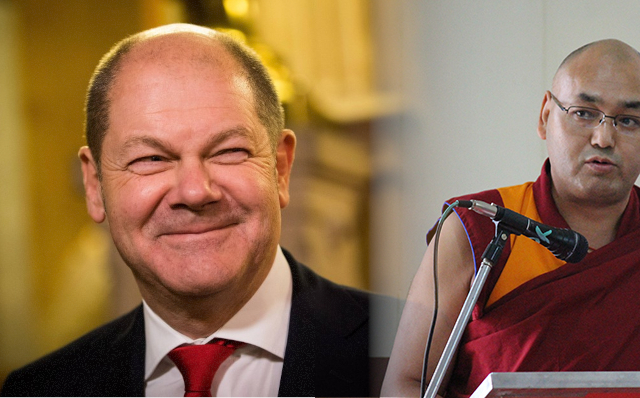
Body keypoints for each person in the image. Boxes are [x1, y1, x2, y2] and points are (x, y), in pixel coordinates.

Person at [381, 39, 640, 398]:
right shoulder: (479, 231)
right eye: (584, 113)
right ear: (545, 116)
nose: (604, 138)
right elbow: (406, 383)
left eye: (628, 120)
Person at [1, 24, 370, 397]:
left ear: (281, 168)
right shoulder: (38, 391)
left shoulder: (414, 354)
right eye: (151, 158)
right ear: (95, 186)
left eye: (229, 151)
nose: (195, 191)